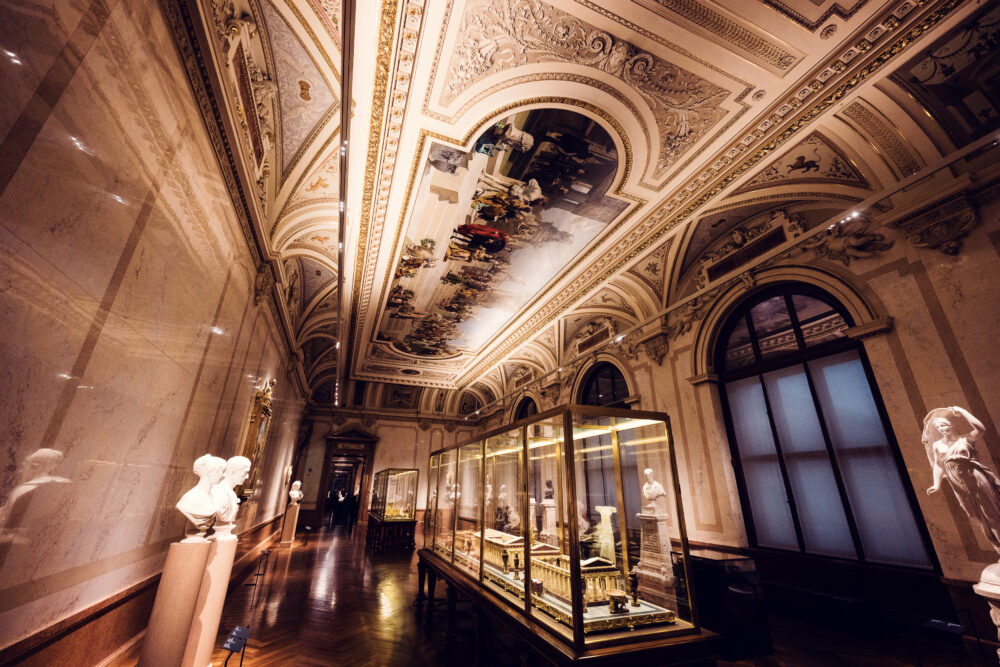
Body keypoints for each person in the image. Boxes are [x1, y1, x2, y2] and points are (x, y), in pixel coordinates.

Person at [925, 406, 1000, 556]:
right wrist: (936, 484)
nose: (941, 428)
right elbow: (938, 465)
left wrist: (962, 411)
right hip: (956, 482)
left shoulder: (966, 439)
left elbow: (981, 428)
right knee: (975, 515)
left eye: (944, 424)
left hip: (975, 477)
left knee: (991, 513)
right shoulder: (937, 445)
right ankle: (997, 547)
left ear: (952, 424)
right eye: (938, 426)